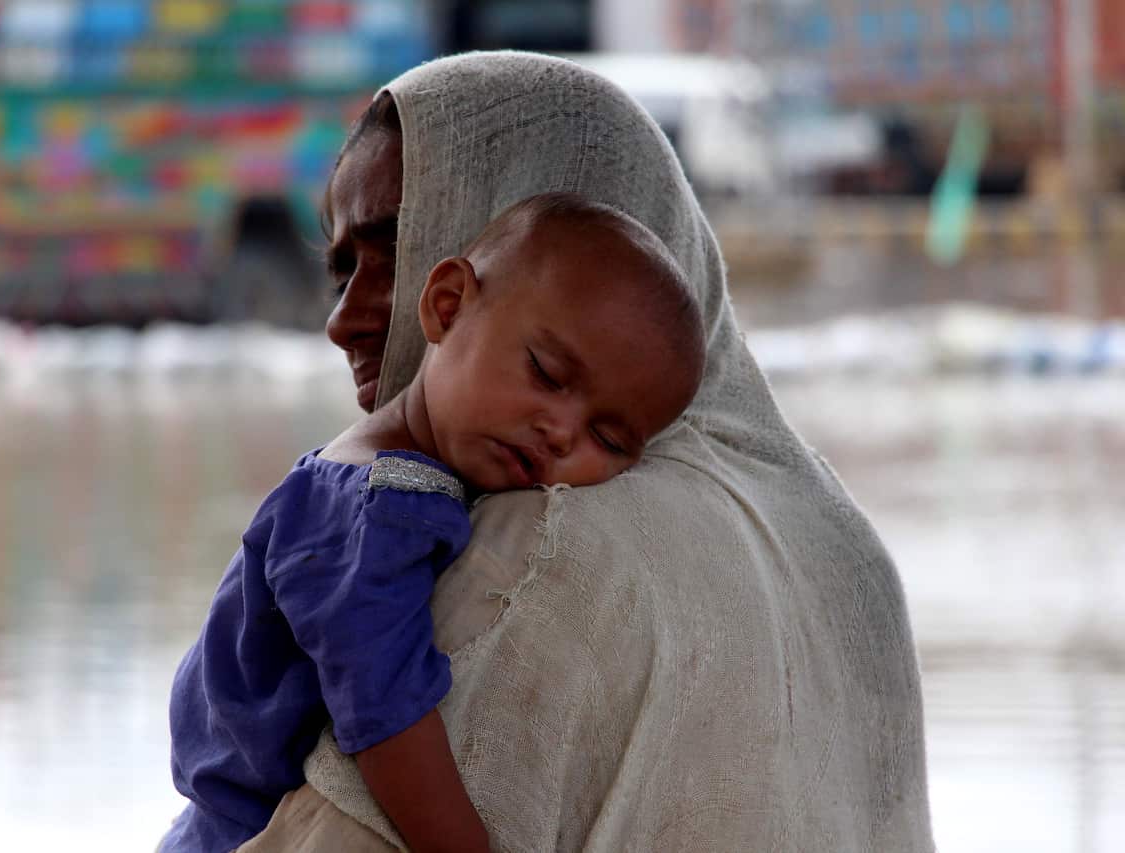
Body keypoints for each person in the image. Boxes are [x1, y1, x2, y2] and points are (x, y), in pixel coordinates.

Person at [236, 51, 936, 852]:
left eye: (395, 247)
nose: (344, 319)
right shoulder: (844, 546)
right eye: (340, 271)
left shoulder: (548, 544)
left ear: (459, 281)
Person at [162, 193, 705, 853]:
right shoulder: (375, 506)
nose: (561, 430)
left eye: (609, 437)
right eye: (547, 373)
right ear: (447, 305)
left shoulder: (397, 479)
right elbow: (386, 716)